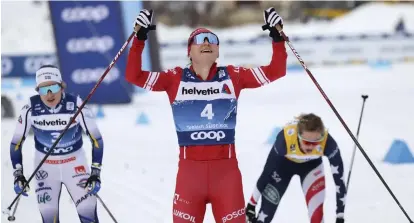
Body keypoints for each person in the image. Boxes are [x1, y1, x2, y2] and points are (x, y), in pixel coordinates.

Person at [126, 7, 287, 223]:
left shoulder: (233, 76)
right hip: (189, 174)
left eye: (212, 39)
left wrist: (277, 36)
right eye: (199, 39)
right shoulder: (175, 79)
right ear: (189, 52)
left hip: (226, 174)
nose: (206, 42)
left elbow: (276, 70)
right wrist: (139, 37)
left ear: (218, 51)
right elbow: (133, 75)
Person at [10, 65, 104, 223]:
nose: (49, 94)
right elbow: (16, 143)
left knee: (88, 215)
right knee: (49, 218)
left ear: (61, 86)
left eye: (53, 87)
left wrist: (95, 172)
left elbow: (97, 139)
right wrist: (18, 174)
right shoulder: (29, 109)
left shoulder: (76, 104)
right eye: (43, 89)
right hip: (45, 170)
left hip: (75, 166)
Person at [245, 113, 347, 223]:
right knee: (265, 215)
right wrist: (251, 204)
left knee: (317, 217)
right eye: (307, 142)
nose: (311, 147)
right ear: (298, 136)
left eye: (316, 142)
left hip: (311, 167)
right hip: (283, 167)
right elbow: (267, 172)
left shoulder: (328, 142)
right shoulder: (285, 139)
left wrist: (340, 215)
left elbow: (339, 180)